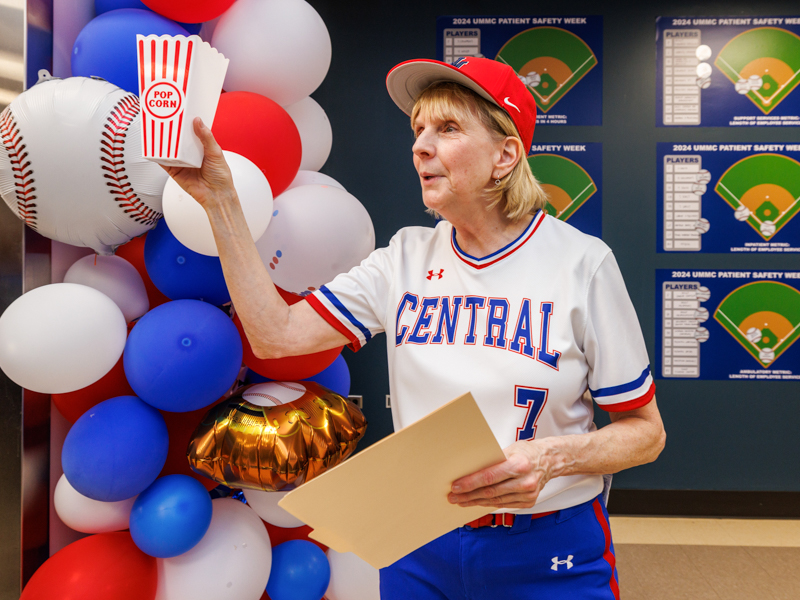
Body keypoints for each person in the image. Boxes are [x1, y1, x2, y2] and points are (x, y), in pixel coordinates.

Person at [165, 56, 666, 600]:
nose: (421, 146)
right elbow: (276, 335)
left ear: (506, 154)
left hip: (548, 544)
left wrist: (552, 458)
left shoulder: (583, 263)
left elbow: (646, 432)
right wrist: (222, 203)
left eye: (447, 128)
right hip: (420, 540)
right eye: (418, 129)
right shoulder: (402, 258)